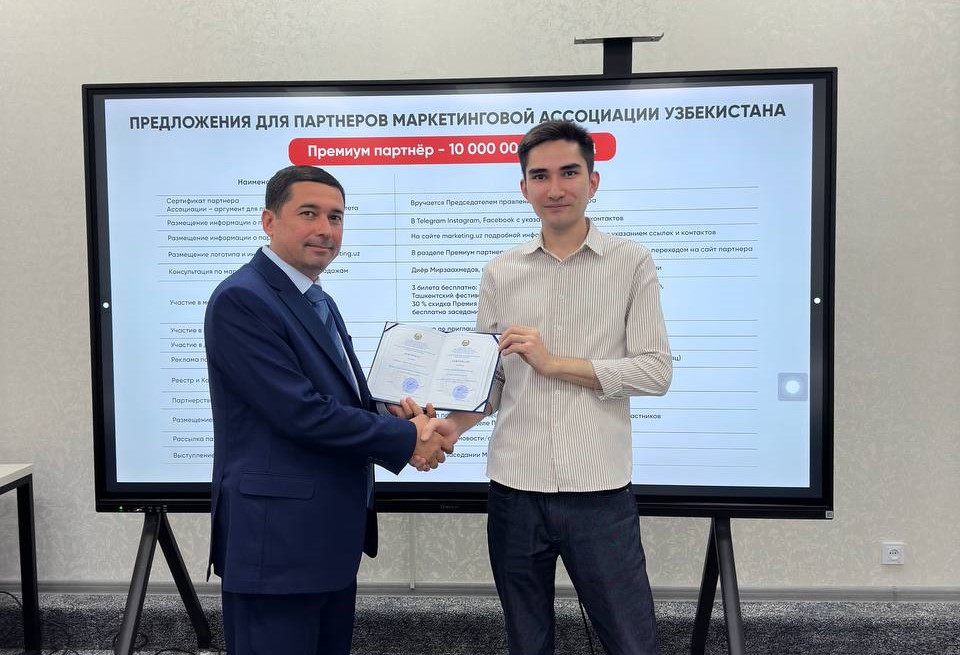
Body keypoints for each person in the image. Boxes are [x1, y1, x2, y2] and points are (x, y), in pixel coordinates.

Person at [441, 120, 673, 654]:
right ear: (524, 188)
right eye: (540, 176)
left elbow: (655, 372)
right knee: (527, 642)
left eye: (569, 173)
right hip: (514, 490)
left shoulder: (632, 262)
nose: (555, 188)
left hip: (599, 492)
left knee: (632, 642)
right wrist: (448, 427)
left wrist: (553, 364)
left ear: (593, 181)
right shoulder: (501, 272)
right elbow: (493, 381)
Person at [204, 165, 455, 655]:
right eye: (309, 213)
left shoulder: (318, 299)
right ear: (269, 221)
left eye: (336, 217)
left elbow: (337, 401)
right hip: (276, 547)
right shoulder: (242, 299)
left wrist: (394, 418)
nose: (325, 229)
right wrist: (409, 439)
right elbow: (299, 412)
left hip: (325, 542)